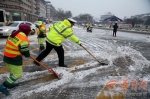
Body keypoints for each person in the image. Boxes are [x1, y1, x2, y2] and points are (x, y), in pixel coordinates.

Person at [0, 24, 31, 95]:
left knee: (13, 72)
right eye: (29, 31)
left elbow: (9, 43)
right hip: (14, 58)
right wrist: (27, 54)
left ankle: (10, 83)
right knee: (17, 74)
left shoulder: (14, 34)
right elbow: (25, 50)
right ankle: (4, 86)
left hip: (7, 56)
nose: (29, 32)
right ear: (26, 31)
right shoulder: (23, 38)